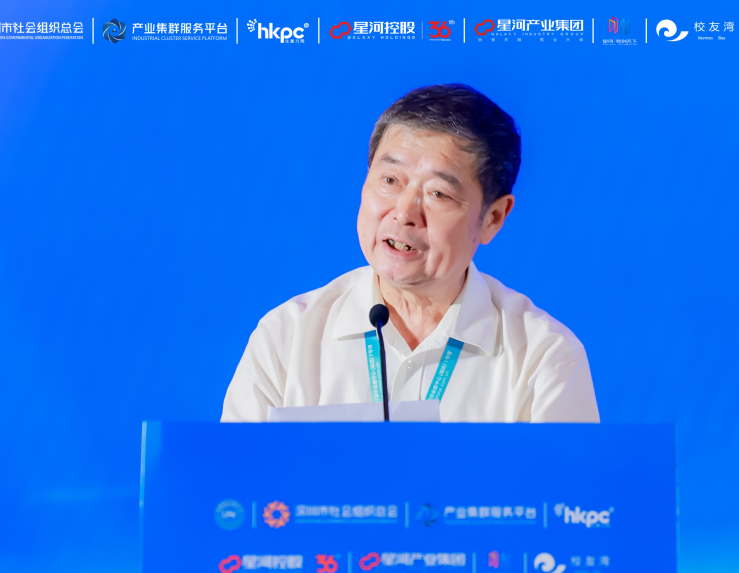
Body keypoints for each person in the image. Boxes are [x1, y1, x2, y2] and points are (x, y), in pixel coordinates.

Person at [221, 83, 599, 423]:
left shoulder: (543, 359)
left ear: (493, 218)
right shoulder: (287, 338)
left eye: (439, 193)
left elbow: (565, 482)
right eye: (390, 180)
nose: (404, 212)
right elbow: (233, 476)